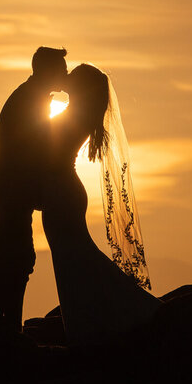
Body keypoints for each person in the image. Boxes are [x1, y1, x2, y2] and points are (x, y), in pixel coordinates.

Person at [41, 63, 160, 346]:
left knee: (74, 259)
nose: (66, 76)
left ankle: (93, 323)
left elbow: (43, 142)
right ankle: (89, 322)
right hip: (63, 192)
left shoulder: (72, 117)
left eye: (73, 75)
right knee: (75, 257)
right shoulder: (77, 115)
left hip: (61, 194)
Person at [0, 46, 69, 331]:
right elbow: (33, 148)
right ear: (48, 70)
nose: (66, 73)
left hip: (11, 186)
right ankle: (2, 326)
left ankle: (5, 324)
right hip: (10, 187)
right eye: (62, 68)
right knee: (15, 255)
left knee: (15, 255)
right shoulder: (30, 100)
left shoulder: (33, 97)